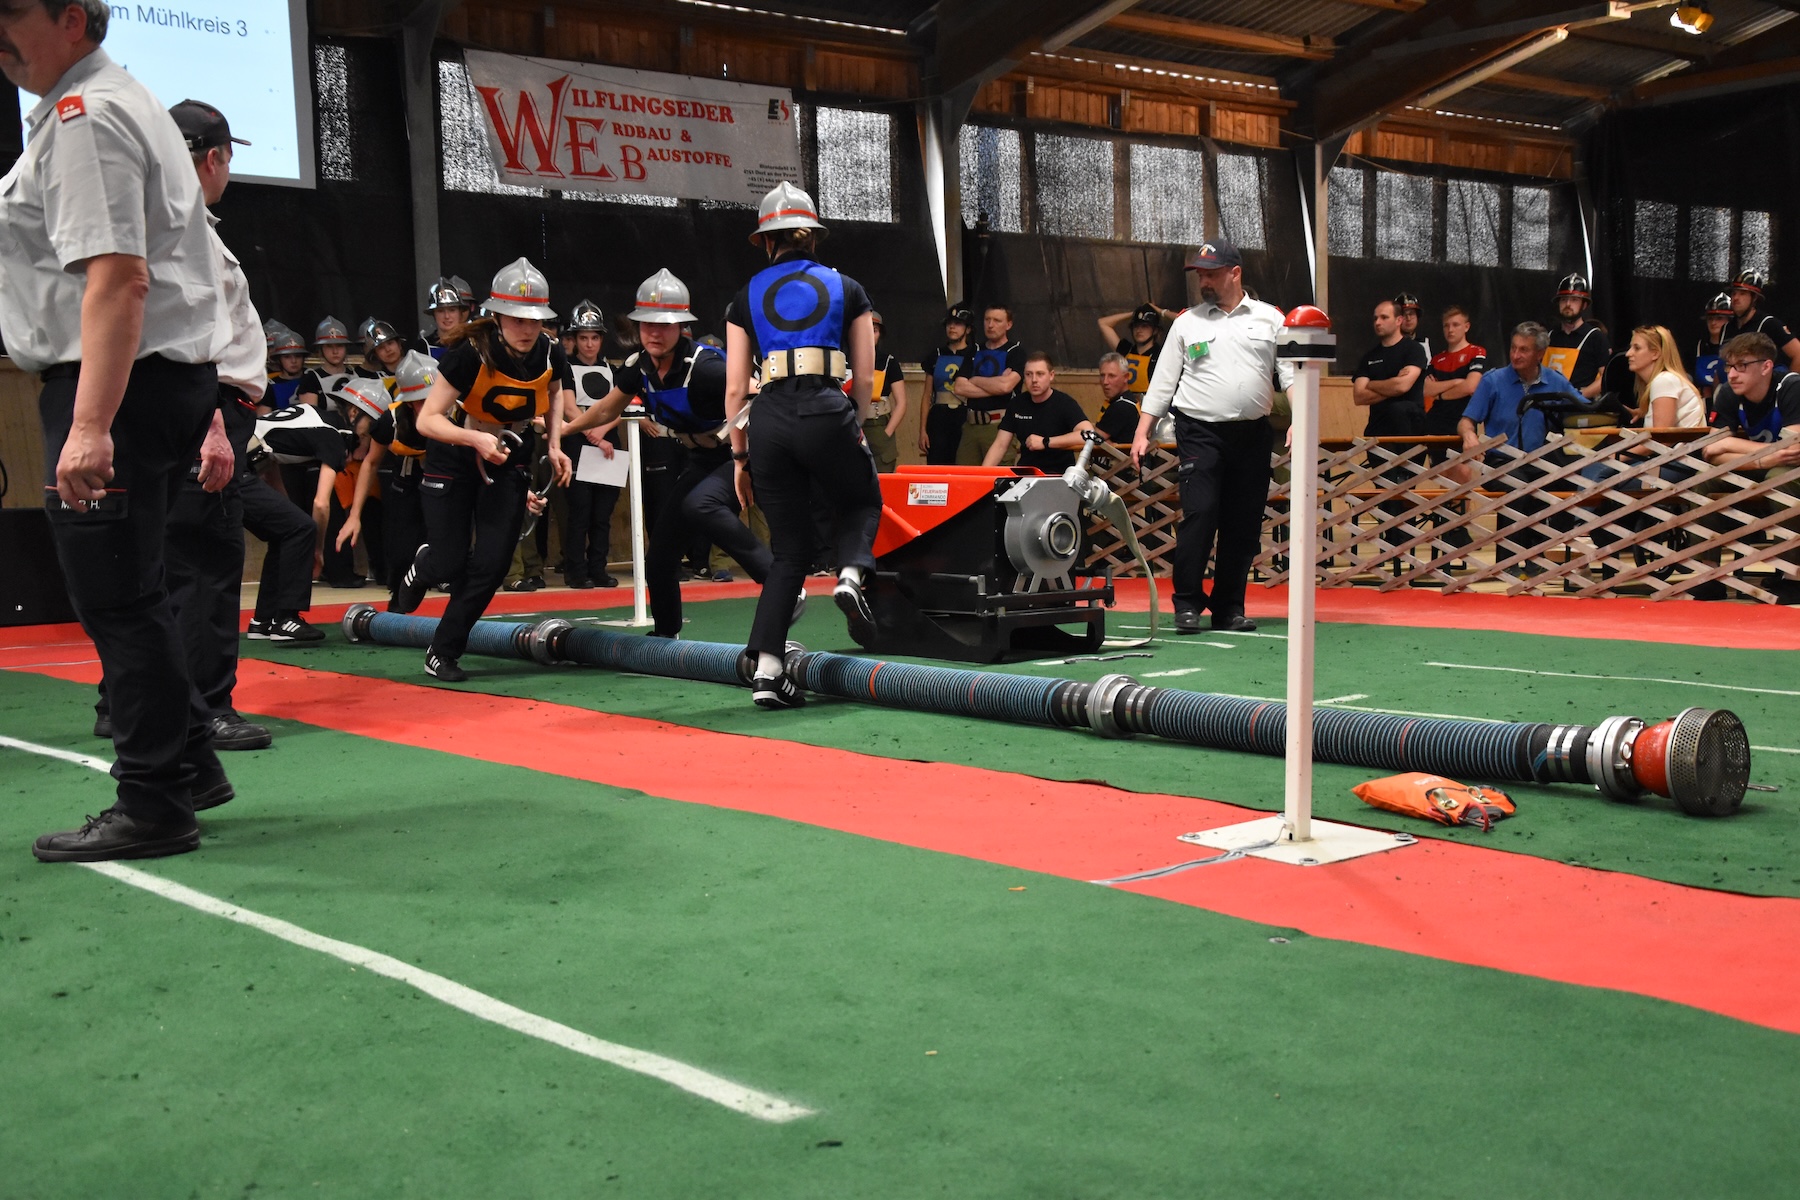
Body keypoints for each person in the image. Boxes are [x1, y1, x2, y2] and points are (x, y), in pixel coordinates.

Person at [0, 0, 236, 861]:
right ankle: (190, 766)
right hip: (150, 383)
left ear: (72, 18)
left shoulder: (85, 114)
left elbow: (118, 278)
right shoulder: (110, 101)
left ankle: (154, 803)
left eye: (10, 12)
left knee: (118, 603)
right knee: (137, 591)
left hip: (116, 387)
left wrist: (90, 424)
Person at [724, 182, 882, 708]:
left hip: (767, 419)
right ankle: (850, 574)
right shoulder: (849, 287)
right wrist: (855, 423)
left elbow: (734, 389)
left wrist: (740, 457)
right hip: (826, 407)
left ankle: (768, 673)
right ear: (812, 238)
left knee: (788, 551)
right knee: (861, 499)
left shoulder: (743, 296)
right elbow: (865, 377)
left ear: (767, 241)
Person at [566, 269, 788, 632]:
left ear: (682, 327)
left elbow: (761, 395)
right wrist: (565, 429)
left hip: (743, 454)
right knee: (660, 557)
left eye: (665, 325)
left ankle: (784, 589)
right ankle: (665, 635)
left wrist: (745, 458)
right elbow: (607, 408)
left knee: (701, 504)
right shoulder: (639, 366)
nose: (655, 333)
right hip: (702, 459)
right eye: (648, 324)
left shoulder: (705, 368)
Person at [390, 258, 572, 681]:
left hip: (509, 454)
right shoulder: (468, 353)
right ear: (498, 315)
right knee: (450, 562)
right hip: (456, 450)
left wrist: (555, 445)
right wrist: (474, 440)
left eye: (535, 319)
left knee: (492, 564)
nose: (527, 328)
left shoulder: (550, 351)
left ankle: (443, 650)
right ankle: (427, 563)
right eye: (517, 319)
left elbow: (555, 392)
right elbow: (427, 420)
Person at [1131, 239, 1287, 635]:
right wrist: (1142, 431)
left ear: (1235, 273)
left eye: (1212, 274)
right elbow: (1162, 382)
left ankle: (1229, 608)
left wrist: (1299, 421)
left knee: (1243, 523)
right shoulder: (1187, 322)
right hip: (1199, 431)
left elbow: (1290, 374)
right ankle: (1187, 603)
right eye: (1200, 275)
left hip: (1253, 434)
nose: (1204, 282)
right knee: (1200, 513)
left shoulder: (1271, 319)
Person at [1459, 322, 1584, 556]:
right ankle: (1508, 562)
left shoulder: (1555, 381)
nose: (1515, 355)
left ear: (1540, 353)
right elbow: (1466, 420)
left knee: (1562, 480)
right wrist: (1469, 435)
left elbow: (1583, 409)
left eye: (1523, 350)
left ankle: (1546, 556)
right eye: (1513, 348)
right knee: (1519, 486)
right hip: (1499, 462)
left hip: (1539, 461)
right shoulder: (1493, 380)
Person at [339, 352, 434, 596]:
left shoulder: (454, 413)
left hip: (443, 487)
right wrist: (355, 515)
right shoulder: (390, 420)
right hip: (406, 487)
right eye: (420, 400)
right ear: (408, 401)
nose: (428, 406)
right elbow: (370, 463)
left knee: (446, 555)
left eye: (432, 398)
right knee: (401, 557)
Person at [560, 298, 622, 588]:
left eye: (594, 338)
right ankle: (576, 571)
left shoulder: (611, 369)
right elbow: (569, 409)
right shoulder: (566, 369)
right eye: (583, 338)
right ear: (575, 339)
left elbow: (619, 409)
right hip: (578, 444)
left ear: (601, 340)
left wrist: (602, 433)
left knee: (602, 515)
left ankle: (599, 568)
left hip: (609, 445)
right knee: (580, 512)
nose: (589, 344)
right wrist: (594, 436)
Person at [983, 352, 1095, 472]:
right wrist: (981, 474)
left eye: (1040, 374)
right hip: (1026, 474)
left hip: (1058, 475)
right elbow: (1000, 445)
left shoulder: (1064, 403)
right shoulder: (1017, 404)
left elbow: (1089, 434)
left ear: (1051, 375)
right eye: (1029, 374)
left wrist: (1046, 442)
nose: (1034, 380)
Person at [951, 304, 1025, 465]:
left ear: (1008, 324)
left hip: (999, 425)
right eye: (987, 320)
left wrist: (975, 380)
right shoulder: (974, 350)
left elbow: (1006, 386)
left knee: (997, 476)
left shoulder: (1016, 352)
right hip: (971, 425)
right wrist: (996, 385)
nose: (990, 325)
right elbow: (959, 387)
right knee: (964, 476)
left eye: (997, 321)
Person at [1705, 332, 1800, 458]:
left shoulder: (1793, 387)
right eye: (1729, 366)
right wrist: (1761, 462)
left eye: (1741, 365)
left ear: (1766, 367)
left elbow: (1792, 451)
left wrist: (1728, 444)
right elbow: (1710, 452)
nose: (1731, 375)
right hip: (1762, 462)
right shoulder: (1729, 391)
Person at [1354, 299, 1428, 436]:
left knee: (1398, 408)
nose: (1378, 322)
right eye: (1375, 318)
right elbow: (1359, 396)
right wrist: (1393, 385)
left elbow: (1401, 386)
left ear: (1399, 320)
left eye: (1384, 317)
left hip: (1408, 428)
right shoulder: (1370, 356)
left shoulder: (1414, 349)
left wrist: (1371, 384)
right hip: (1378, 428)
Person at [919, 303, 975, 465]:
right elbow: (927, 396)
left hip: (965, 415)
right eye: (949, 323)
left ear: (968, 329)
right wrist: (922, 430)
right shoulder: (936, 354)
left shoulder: (975, 354)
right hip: (939, 417)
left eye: (958, 324)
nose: (952, 327)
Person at [1423, 306, 1486, 440]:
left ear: (1466, 327)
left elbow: (1470, 387)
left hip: (1463, 420)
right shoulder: (1436, 360)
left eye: (1455, 325)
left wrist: (1440, 395)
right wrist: (1457, 382)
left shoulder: (1476, 352)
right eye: (1446, 326)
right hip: (1435, 420)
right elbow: (1426, 389)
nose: (1450, 330)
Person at [1722, 270, 1800, 375]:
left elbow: (1798, 353)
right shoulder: (1727, 328)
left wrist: (1788, 383)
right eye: (1734, 293)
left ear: (1754, 297)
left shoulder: (1769, 324)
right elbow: (1721, 366)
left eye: (1742, 293)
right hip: (1733, 382)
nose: (1735, 298)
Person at [1625, 326, 1705, 428]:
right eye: (1630, 347)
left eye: (1637, 348)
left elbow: (1662, 436)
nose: (1628, 354)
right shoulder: (1664, 380)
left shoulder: (1664, 380)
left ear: (1655, 353)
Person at [1544, 273, 1609, 399]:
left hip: (1580, 406)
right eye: (1564, 299)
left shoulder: (1596, 337)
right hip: (1549, 404)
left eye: (1574, 300)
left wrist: (1578, 396)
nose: (1568, 304)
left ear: (1584, 305)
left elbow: (1605, 377)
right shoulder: (1550, 336)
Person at [859, 310, 908, 473]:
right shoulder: (846, 360)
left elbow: (901, 403)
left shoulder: (889, 362)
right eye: (865, 330)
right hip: (852, 428)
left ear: (880, 335)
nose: (869, 335)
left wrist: (887, 432)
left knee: (882, 480)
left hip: (879, 426)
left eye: (874, 331)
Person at [1097, 302, 1169, 390]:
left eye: (1144, 326)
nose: (1139, 330)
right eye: (1136, 326)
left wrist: (1161, 312)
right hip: (1127, 398)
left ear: (1155, 330)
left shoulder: (1161, 355)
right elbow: (1103, 323)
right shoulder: (1126, 350)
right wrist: (1133, 314)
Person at [1094, 352, 1143, 443]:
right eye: (1102, 375)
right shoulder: (1128, 401)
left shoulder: (1122, 406)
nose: (1105, 382)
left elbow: (1092, 439)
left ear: (1126, 377)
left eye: (1111, 376)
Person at [417, 277, 468, 361]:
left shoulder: (472, 343)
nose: (447, 316)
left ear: (460, 312)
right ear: (433, 314)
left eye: (452, 310)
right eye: (440, 311)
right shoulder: (422, 346)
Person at [1693, 292, 1733, 392]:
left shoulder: (1736, 347)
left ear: (1730, 320)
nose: (1713, 323)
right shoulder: (1699, 346)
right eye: (1710, 319)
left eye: (1719, 318)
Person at [263, 328, 310, 411]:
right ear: (278, 359)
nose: (293, 361)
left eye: (298, 356)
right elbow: (263, 416)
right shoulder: (270, 386)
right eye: (287, 357)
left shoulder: (313, 378)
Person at [310, 315, 353, 382]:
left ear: (346, 347)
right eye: (329, 346)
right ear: (320, 349)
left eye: (339, 345)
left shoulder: (355, 377)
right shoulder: (311, 379)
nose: (335, 351)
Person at [1395, 293, 1431, 357]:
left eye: (1411, 314)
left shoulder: (1426, 342)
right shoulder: (1390, 344)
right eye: (1403, 315)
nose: (1408, 318)